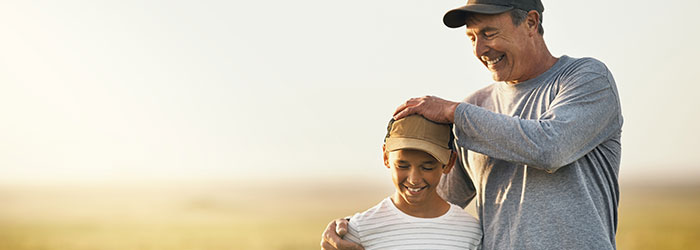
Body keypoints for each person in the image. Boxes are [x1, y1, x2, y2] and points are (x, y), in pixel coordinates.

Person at [322, 0, 623, 249]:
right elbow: (432, 200)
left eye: (489, 33)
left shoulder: (586, 78)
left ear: (531, 23)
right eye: (472, 37)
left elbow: (551, 147)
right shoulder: (477, 106)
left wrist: (455, 112)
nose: (480, 50)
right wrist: (356, 228)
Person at [343, 115, 482, 250]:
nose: (414, 179)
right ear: (386, 156)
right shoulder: (360, 229)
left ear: (449, 162)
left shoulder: (470, 232)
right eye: (402, 166)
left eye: (427, 167)